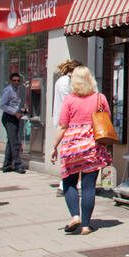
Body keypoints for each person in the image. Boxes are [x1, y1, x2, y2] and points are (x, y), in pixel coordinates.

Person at [51, 66, 112, 235]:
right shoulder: (100, 98)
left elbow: (62, 126)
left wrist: (54, 147)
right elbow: (106, 120)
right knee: (88, 186)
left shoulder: (69, 100)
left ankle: (75, 216)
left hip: (72, 146)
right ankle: (86, 225)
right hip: (92, 145)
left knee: (69, 182)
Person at [50, 60, 79, 196]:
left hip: (62, 121)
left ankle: (65, 183)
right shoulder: (66, 83)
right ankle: (65, 184)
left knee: (68, 153)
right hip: (67, 123)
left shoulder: (60, 80)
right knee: (71, 154)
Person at [0, 73, 27, 173]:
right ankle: (18, 164)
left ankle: (6, 165)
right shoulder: (8, 90)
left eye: (18, 80)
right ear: (10, 81)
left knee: (11, 140)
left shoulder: (19, 90)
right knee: (14, 142)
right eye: (14, 80)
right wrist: (14, 113)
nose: (16, 82)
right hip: (9, 117)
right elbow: (2, 105)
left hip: (16, 117)